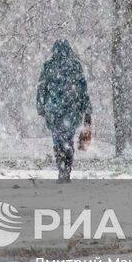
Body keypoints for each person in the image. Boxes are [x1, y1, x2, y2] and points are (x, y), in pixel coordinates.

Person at [36, 39, 92, 181]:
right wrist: (87, 109)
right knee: (69, 140)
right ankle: (67, 169)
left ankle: (61, 168)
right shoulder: (75, 66)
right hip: (71, 111)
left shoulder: (48, 66)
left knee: (57, 141)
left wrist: (41, 106)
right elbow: (82, 90)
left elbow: (41, 88)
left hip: (54, 112)